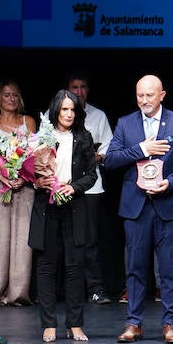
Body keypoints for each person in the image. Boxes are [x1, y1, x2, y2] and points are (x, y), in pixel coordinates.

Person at [104, 74, 173, 343]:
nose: (144, 100)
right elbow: (110, 160)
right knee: (134, 267)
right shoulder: (126, 123)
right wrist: (142, 149)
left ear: (162, 95)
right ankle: (134, 323)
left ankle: (170, 324)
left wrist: (170, 183)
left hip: (169, 205)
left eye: (150, 95)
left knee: (168, 268)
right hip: (136, 207)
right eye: (140, 95)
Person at [28, 89, 98, 343]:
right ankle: (49, 324)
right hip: (46, 206)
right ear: (56, 110)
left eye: (72, 110)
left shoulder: (83, 137)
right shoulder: (41, 137)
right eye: (64, 109)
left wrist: (74, 187)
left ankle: (75, 324)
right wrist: (37, 181)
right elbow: (27, 173)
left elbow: (91, 175)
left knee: (75, 266)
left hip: (73, 205)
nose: (68, 114)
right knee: (46, 266)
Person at [0, 79, 37, 306]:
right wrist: (1, 174)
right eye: (7, 95)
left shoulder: (28, 121)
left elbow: (35, 154)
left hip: (24, 185)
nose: (12, 99)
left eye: (15, 94)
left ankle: (18, 294)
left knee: (23, 240)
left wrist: (23, 176)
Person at [66, 72, 118, 305]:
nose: (79, 91)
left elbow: (108, 149)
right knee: (63, 240)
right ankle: (66, 289)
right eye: (74, 87)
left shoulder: (98, 116)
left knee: (89, 240)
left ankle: (95, 288)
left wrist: (92, 157)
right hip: (61, 186)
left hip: (90, 187)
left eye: (83, 86)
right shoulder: (52, 113)